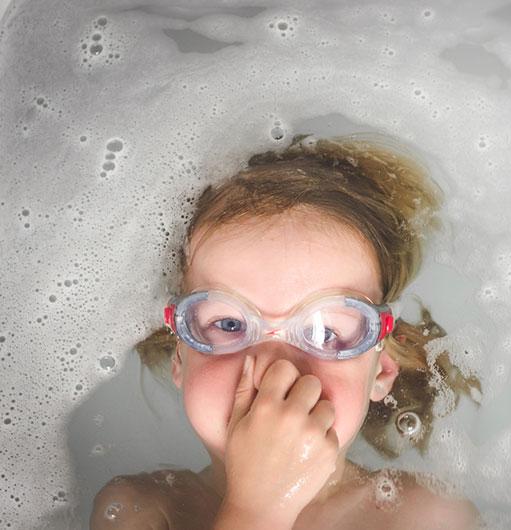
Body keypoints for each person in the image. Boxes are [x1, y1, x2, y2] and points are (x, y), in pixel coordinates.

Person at [90, 133, 483, 529]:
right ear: (180, 357)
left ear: (381, 370)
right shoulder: (139, 512)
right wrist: (256, 511)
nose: (274, 369)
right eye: (229, 324)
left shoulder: (427, 517)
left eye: (326, 332)